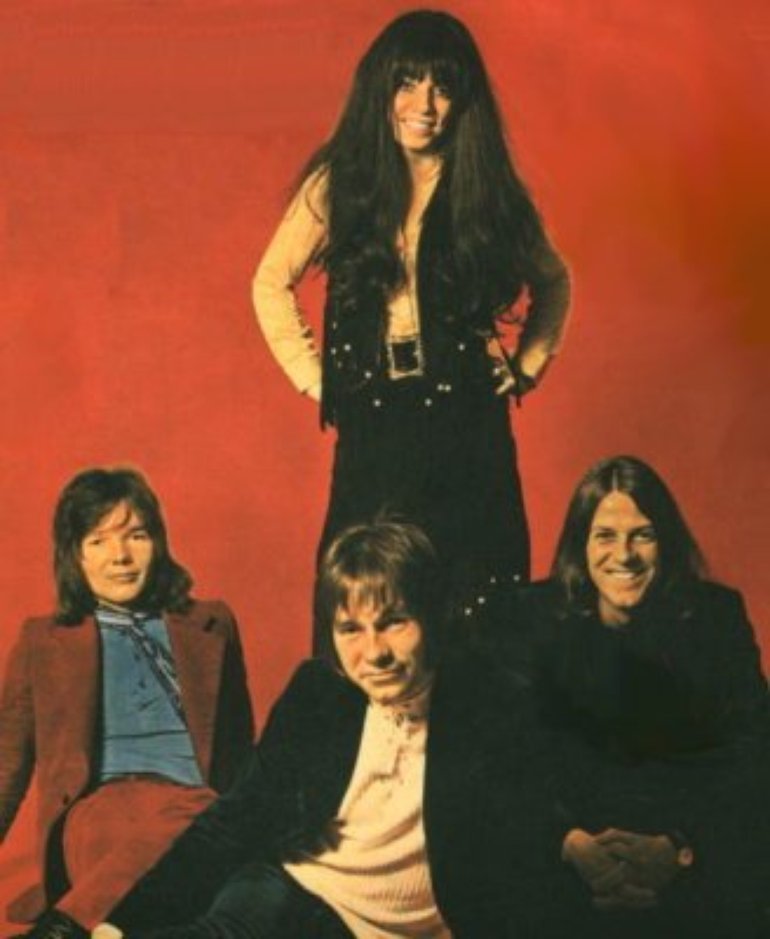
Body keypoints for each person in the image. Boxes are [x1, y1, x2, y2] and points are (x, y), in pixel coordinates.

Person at [95, 520, 581, 939]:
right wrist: (122, 925)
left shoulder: (483, 704)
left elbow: (530, 819)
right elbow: (234, 819)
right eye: (351, 629)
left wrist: (577, 843)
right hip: (292, 886)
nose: (374, 654)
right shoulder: (319, 694)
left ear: (431, 619)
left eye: (394, 622)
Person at [253, 10, 571, 640]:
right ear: (381, 88)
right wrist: (318, 380)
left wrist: (528, 365)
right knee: (364, 594)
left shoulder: (488, 189)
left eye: (442, 88)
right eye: (407, 83)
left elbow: (554, 280)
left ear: (463, 101)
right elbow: (269, 282)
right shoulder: (340, 183)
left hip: (469, 424)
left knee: (480, 602)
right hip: (375, 424)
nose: (423, 105)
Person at [499, 455, 770, 936]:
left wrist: (679, 847)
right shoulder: (534, 618)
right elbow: (513, 758)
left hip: (685, 860)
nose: (624, 555)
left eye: (642, 535)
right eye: (605, 535)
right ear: (581, 545)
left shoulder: (714, 617)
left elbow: (753, 754)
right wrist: (570, 843)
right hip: (568, 861)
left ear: (666, 542)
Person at [0, 468, 254, 938]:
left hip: (194, 801)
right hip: (100, 808)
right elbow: (6, 763)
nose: (120, 556)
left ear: (158, 541)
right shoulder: (43, 640)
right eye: (98, 541)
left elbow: (239, 747)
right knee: (191, 825)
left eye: (136, 535)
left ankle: (65, 928)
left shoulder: (211, 624)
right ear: (75, 555)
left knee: (203, 820)